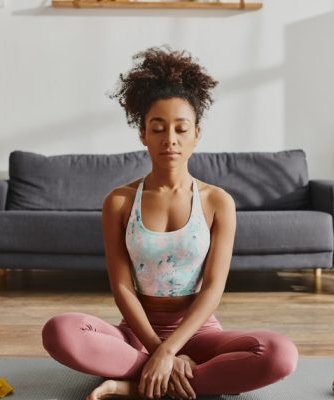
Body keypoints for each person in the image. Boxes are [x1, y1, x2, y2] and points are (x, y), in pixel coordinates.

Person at [42, 46, 298, 400]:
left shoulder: (217, 202)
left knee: (280, 354)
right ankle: (184, 379)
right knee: (60, 331)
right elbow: (122, 289)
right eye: (158, 128)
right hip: (136, 334)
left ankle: (134, 387)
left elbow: (212, 290)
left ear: (197, 133)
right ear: (143, 134)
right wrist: (157, 349)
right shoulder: (119, 202)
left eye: (181, 128)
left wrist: (171, 348)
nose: (170, 139)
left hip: (199, 333)